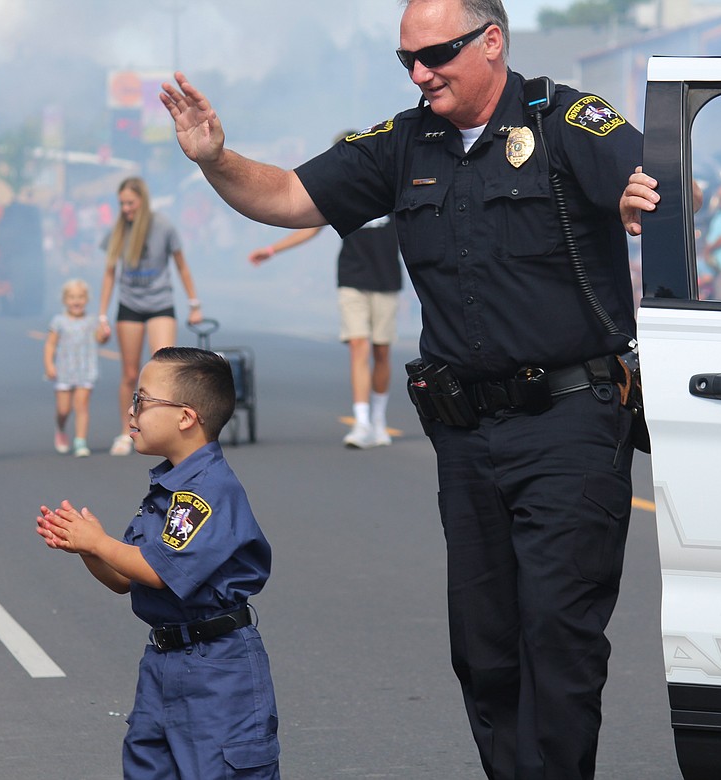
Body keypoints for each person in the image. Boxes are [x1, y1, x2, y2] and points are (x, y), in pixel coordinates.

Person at [161, 1, 645, 777]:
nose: (421, 73)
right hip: (466, 435)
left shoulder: (567, 121)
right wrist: (216, 158)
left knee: (558, 635)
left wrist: (630, 201)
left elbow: (643, 182)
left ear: (492, 42)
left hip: (568, 425)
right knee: (484, 649)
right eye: (406, 60)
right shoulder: (403, 140)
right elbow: (287, 196)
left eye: (437, 54)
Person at [35, 346, 280, 778]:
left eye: (143, 401)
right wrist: (87, 548)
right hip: (165, 660)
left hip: (217, 669)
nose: (132, 412)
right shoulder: (168, 487)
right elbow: (125, 578)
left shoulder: (205, 491)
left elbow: (160, 571)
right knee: (148, 766)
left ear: (186, 417)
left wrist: (100, 539)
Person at [249, 131, 403, 449]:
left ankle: (378, 420)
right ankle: (361, 423)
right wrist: (273, 250)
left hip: (386, 279)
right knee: (359, 347)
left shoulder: (388, 186)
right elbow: (310, 228)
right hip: (352, 278)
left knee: (382, 351)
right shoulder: (342, 194)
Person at [96, 177, 205, 456]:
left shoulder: (163, 227)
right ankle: (125, 431)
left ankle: (165, 432)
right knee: (130, 372)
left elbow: (182, 267)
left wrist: (194, 304)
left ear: (142, 202)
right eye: (121, 204)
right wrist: (102, 317)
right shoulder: (119, 230)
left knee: (163, 366)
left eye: (130, 203)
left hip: (160, 302)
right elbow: (109, 275)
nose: (125, 209)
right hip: (129, 304)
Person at [43, 278, 106, 458]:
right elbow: (50, 345)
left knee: (81, 405)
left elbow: (100, 339)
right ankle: (61, 428)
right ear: (64, 300)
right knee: (64, 409)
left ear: (87, 299)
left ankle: (80, 441)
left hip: (86, 369)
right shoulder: (58, 321)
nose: (76, 301)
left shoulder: (92, 320)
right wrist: (49, 365)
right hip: (64, 370)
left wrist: (104, 334)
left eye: (80, 297)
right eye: (71, 297)